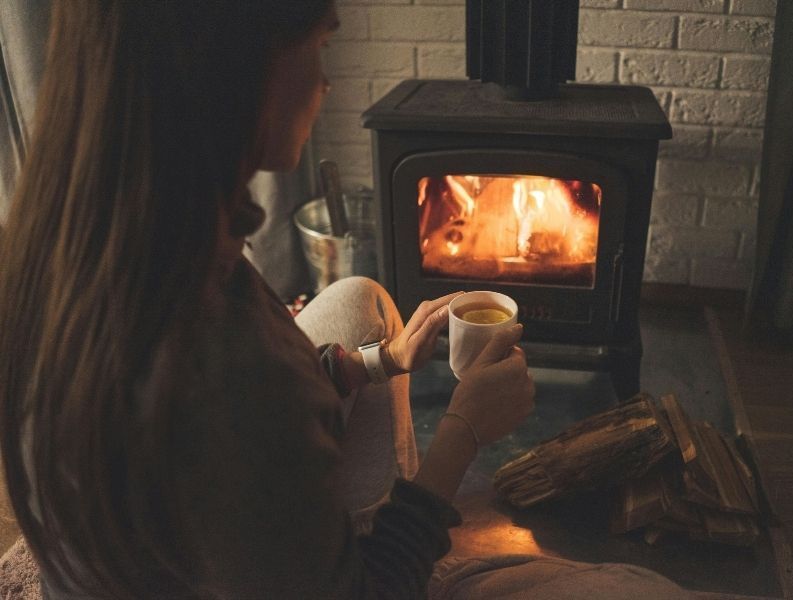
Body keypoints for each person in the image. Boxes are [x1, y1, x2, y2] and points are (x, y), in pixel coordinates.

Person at [0, 1, 537, 598]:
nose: (327, 83)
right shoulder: (232, 379)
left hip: (190, 547)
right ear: (232, 69)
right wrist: (463, 429)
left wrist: (380, 361)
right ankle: (394, 546)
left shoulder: (116, 234)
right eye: (319, 47)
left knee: (362, 298)